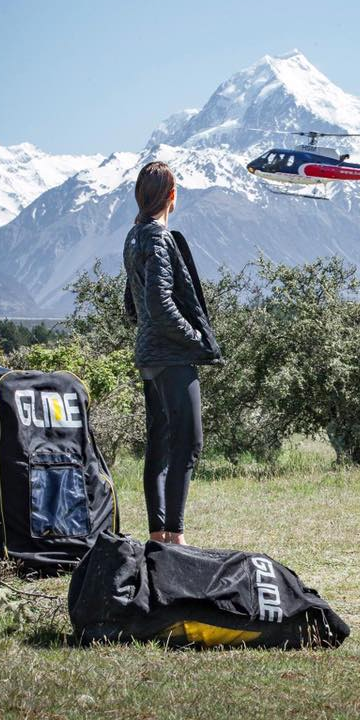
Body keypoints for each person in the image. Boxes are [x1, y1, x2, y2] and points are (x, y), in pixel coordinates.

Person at [123, 161, 222, 545]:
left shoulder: (134, 237)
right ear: (172, 195)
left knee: (160, 444)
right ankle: (176, 537)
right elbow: (161, 303)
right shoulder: (160, 239)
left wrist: (153, 332)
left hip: (149, 356)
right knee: (189, 441)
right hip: (172, 357)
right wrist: (194, 336)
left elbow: (133, 303)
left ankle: (158, 535)